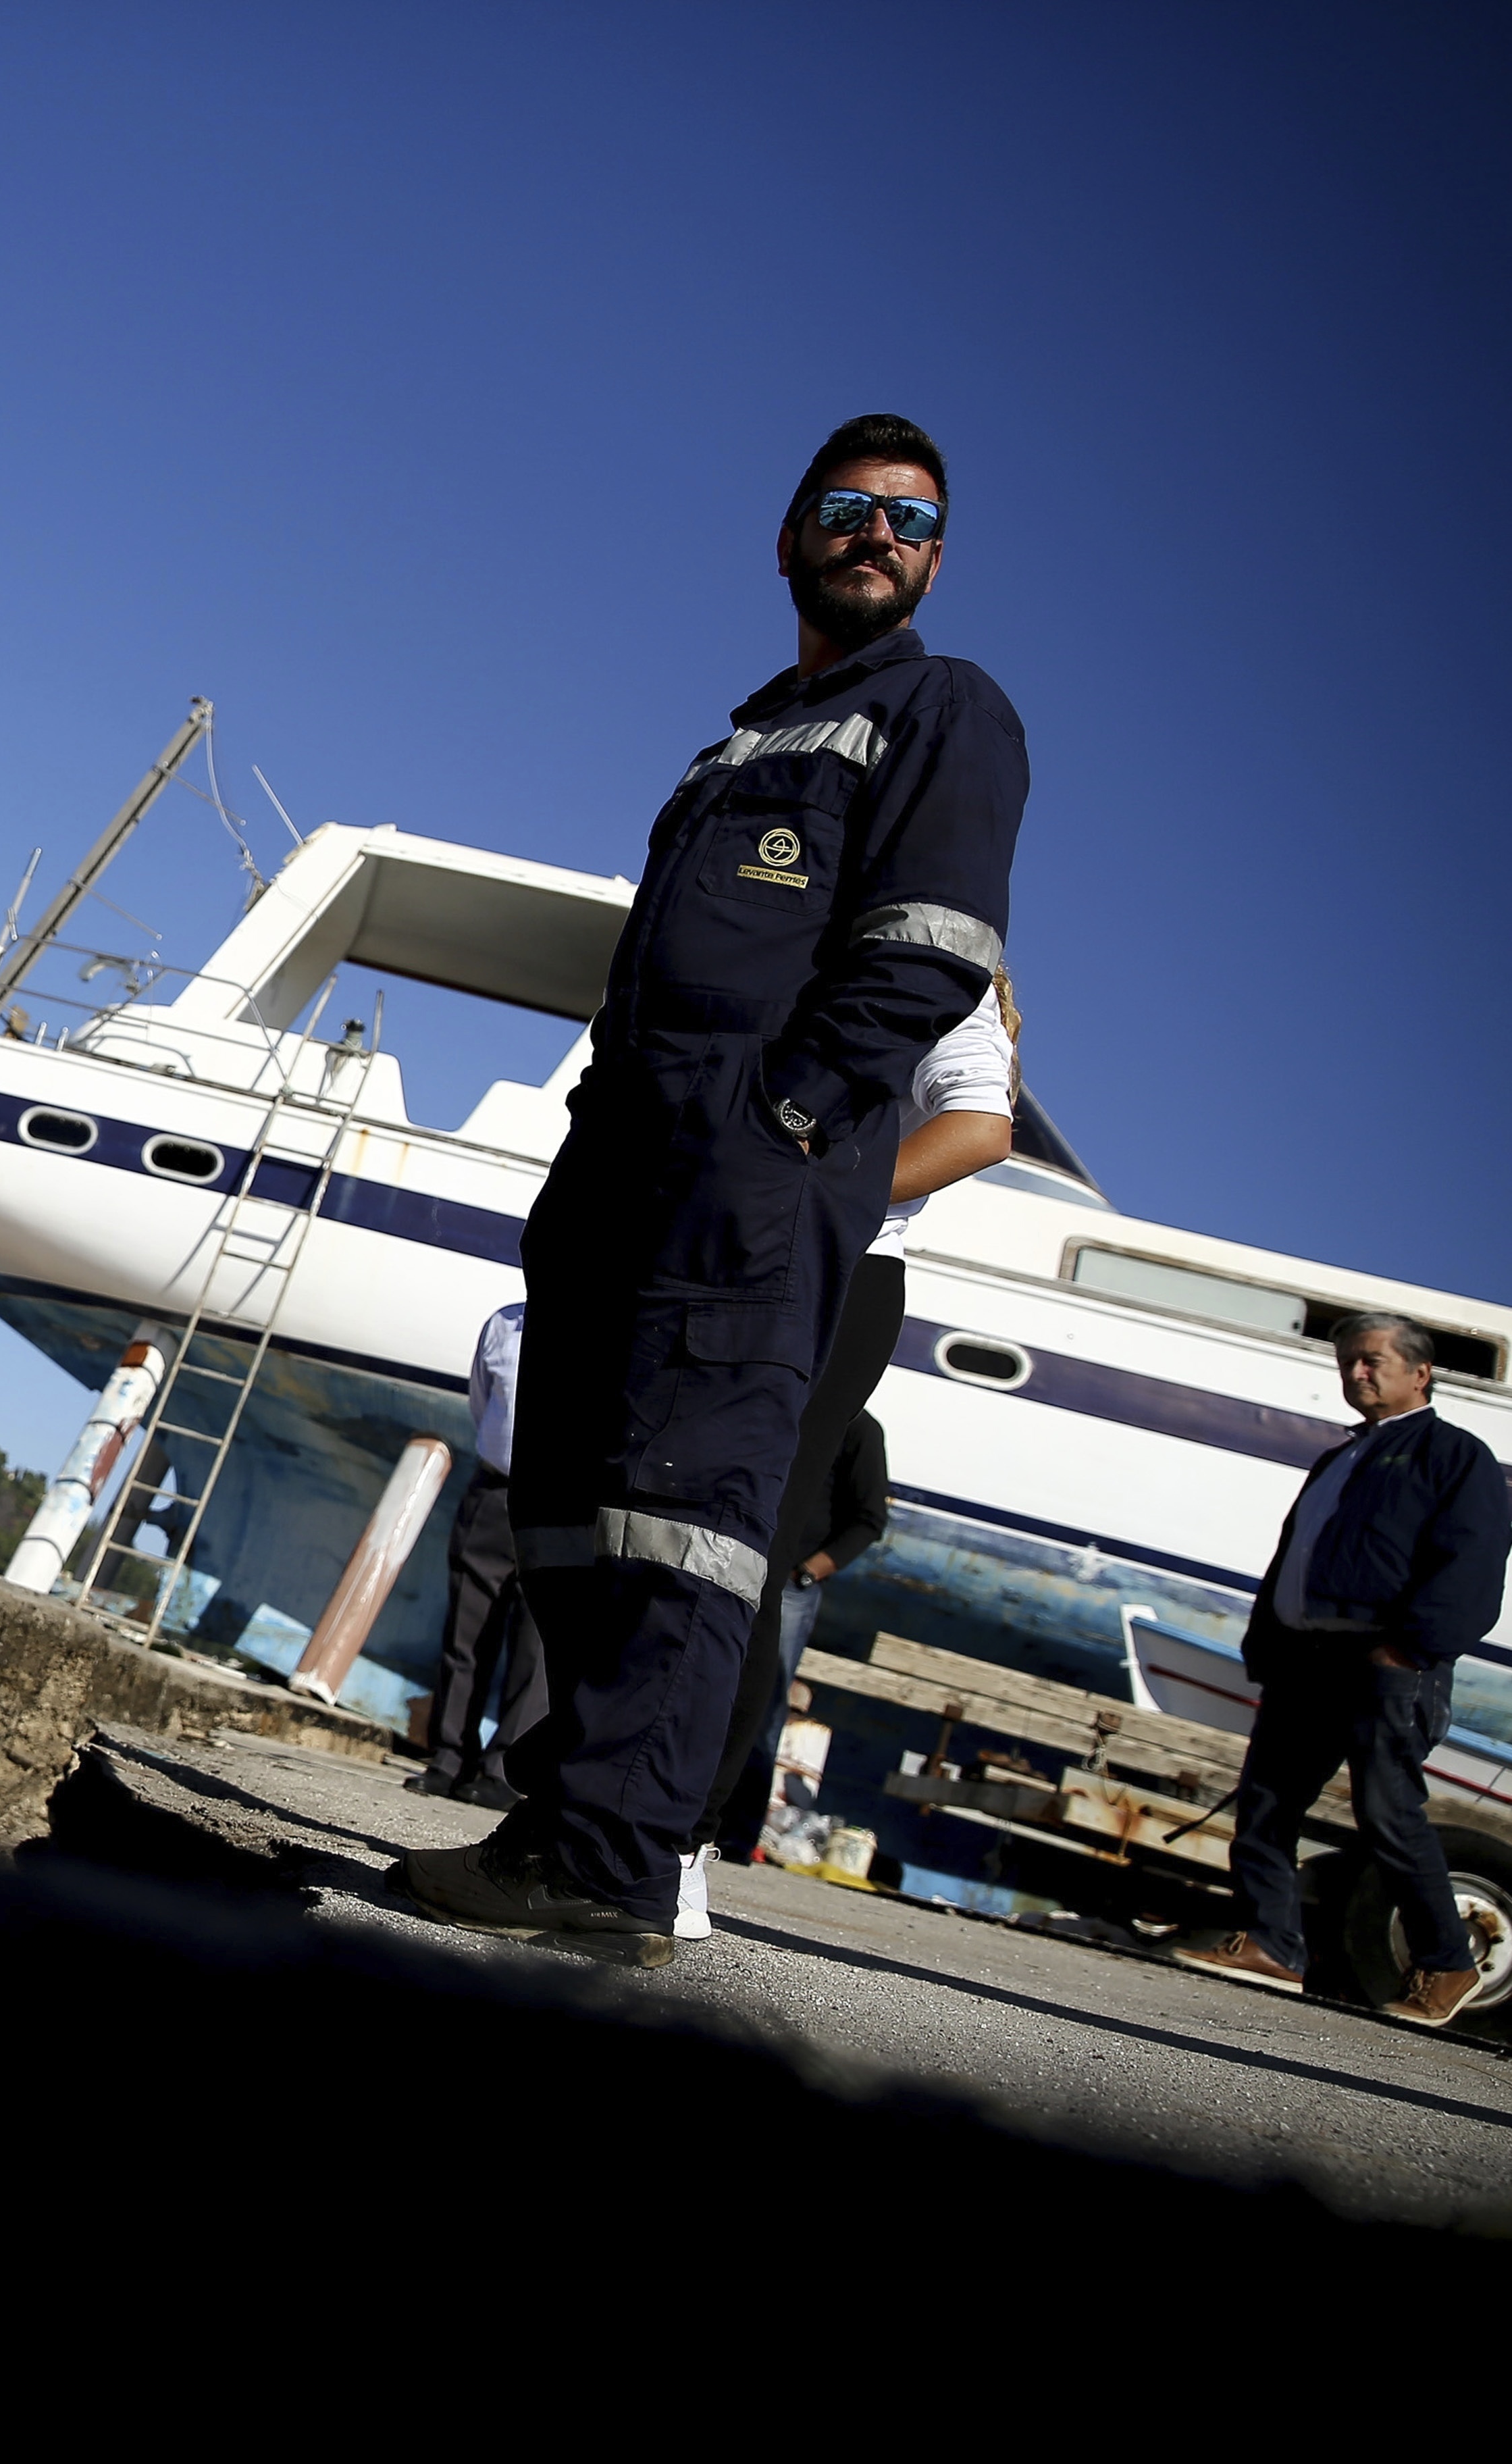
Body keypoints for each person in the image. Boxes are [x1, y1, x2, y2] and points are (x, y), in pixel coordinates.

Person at [398, 413, 1024, 1964]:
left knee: (681, 1520)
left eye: (908, 519)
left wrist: (792, 1122)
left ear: (931, 558)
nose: (875, 532)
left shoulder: (940, 710)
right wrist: (595, 1144)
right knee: (565, 1506)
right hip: (621, 1166)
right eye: (845, 507)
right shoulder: (735, 741)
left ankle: (616, 1866)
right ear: (789, 537)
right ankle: (555, 1823)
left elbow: (928, 956)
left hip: (750, 1184)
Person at [675, 969, 1016, 1936]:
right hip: (737, 1251)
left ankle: (678, 1846)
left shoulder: (946, 978)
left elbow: (982, 1129)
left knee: (747, 1549)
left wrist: (823, 1196)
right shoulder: (808, 957)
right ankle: (615, 1804)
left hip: (836, 1268)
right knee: (667, 1527)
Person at [1170, 1318, 1508, 2026]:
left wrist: (1410, 1647)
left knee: (1387, 1813)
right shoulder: (1340, 1460)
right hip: (1309, 1664)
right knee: (1267, 1805)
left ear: (1420, 1373)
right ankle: (1271, 1946)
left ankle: (1447, 1963)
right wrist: (1266, 1646)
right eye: (1347, 1361)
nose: (1356, 1371)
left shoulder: (1454, 1456)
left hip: (1387, 1665)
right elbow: (1294, 1556)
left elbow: (1473, 1564)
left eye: (1372, 1361)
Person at [675, 1412, 886, 1936]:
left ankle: (738, 1832)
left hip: (790, 1582)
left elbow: (868, 1518)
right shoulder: (787, 1406)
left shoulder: (857, 1428)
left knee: (765, 1703)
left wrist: (808, 1570)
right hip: (737, 1559)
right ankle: (682, 1811)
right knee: (705, 1681)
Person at [411, 1302, 547, 1807]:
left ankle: (505, 1771)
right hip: (493, 1493)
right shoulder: (503, 1326)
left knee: (536, 1649)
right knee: (466, 1635)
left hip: (559, 1503)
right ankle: (449, 1758)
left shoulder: (607, 1326)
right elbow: (481, 1402)